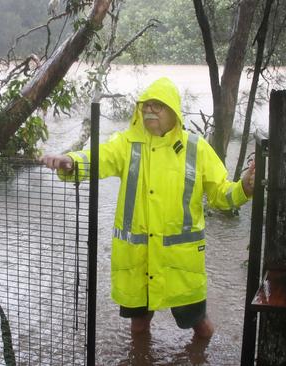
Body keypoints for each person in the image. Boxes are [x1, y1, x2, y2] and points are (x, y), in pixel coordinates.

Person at [40, 77, 255, 339]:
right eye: (146, 106)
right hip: (136, 260)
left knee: (200, 326)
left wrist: (244, 187)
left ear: (173, 111)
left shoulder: (196, 149)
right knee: (139, 327)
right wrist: (71, 162)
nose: (150, 110)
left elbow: (222, 194)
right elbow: (99, 156)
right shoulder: (127, 144)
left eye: (158, 106)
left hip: (180, 264)